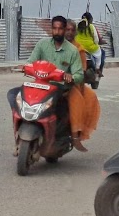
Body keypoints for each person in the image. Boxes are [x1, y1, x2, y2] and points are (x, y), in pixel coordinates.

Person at [26, 15, 95, 152]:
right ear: (51, 29)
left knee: (77, 102)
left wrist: (71, 77)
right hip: (42, 84)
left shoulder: (74, 50)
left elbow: (80, 73)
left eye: (62, 29)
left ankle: (75, 135)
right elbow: (31, 61)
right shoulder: (42, 44)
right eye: (55, 28)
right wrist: (26, 66)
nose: (58, 32)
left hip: (63, 87)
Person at [76, 11, 105, 79]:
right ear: (90, 19)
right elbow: (96, 39)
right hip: (90, 48)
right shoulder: (91, 26)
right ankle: (97, 69)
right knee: (99, 55)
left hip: (78, 46)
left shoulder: (78, 26)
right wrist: (96, 43)